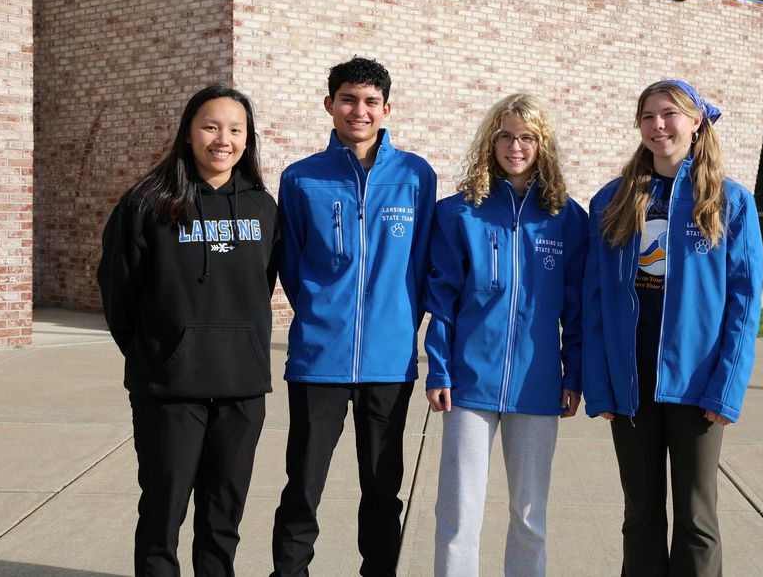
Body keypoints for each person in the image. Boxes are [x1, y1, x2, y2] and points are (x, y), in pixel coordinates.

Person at [581, 80, 763, 576]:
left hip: (697, 384)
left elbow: (744, 307)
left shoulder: (730, 202)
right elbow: (593, 302)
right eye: (647, 116)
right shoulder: (612, 201)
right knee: (639, 516)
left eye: (669, 114)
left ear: (696, 120)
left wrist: (725, 390)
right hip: (631, 385)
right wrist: (600, 387)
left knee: (696, 520)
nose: (658, 125)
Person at [97, 85, 280, 576]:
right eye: (211, 126)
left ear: (248, 139)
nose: (224, 139)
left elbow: (259, 286)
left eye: (236, 129)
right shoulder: (147, 202)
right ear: (188, 132)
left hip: (242, 386)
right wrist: (160, 352)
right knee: (164, 511)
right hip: (170, 389)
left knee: (225, 515)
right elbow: (119, 294)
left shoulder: (263, 208)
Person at [270, 56, 436, 577]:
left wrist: (398, 321)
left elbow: (425, 261)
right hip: (319, 357)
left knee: (383, 489)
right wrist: (325, 314)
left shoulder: (415, 176)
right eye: (348, 99)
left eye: (369, 102)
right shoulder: (301, 179)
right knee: (303, 485)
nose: (358, 111)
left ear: (386, 109)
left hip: (389, 360)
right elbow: (292, 267)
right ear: (330, 105)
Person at [424, 93, 588, 577]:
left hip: (537, 388)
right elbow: (442, 299)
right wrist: (439, 367)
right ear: (490, 141)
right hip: (470, 384)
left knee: (530, 515)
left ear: (543, 144)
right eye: (505, 136)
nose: (515, 147)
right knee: (458, 514)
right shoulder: (459, 213)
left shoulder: (568, 217)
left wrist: (572, 373)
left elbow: (575, 310)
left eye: (527, 138)